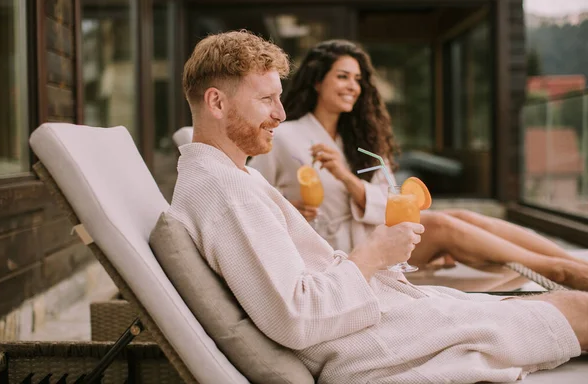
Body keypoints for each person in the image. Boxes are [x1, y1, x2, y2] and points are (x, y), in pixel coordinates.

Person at [169, 30, 586, 384]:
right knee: (573, 308)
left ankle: (563, 270)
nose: (280, 113)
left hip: (375, 316)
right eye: (266, 100)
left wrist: (379, 262)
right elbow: (296, 318)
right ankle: (564, 269)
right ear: (217, 103)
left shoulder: (232, 178)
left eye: (280, 99)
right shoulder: (225, 194)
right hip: (370, 342)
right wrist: (373, 255)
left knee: (548, 302)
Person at [248, 39, 588, 291]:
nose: (353, 86)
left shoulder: (358, 143)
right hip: (341, 250)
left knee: (462, 218)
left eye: (357, 79)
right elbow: (257, 201)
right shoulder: (284, 136)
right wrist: (291, 208)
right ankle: (557, 271)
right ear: (318, 81)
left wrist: (346, 177)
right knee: (441, 225)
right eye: (342, 77)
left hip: (380, 231)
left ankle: (571, 263)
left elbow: (391, 201)